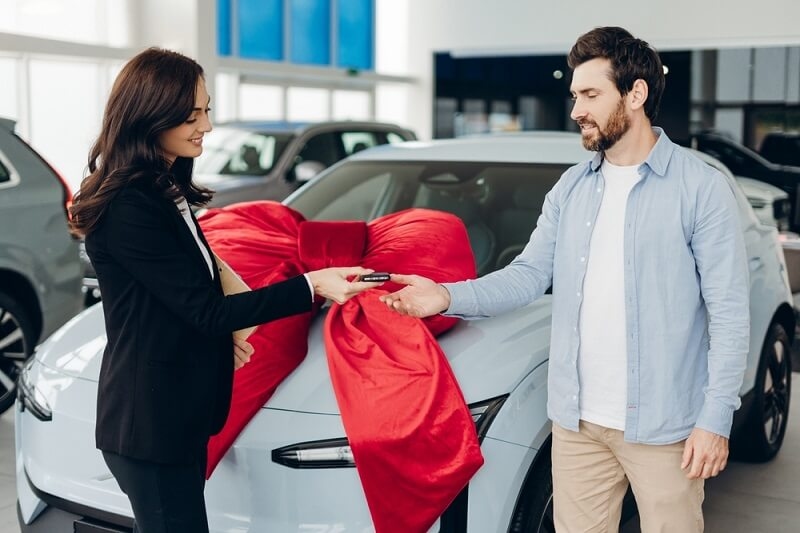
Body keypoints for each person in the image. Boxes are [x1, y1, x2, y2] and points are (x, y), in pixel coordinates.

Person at [380, 26, 749, 532]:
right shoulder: (573, 187)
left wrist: (715, 419)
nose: (577, 109)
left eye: (592, 94)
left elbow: (729, 314)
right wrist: (445, 296)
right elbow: (529, 274)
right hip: (578, 423)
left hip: (667, 427)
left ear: (635, 94)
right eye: (575, 95)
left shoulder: (700, 189)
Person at [69, 47, 381, 533]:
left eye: (207, 109)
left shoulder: (163, 186)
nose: (207, 127)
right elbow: (206, 310)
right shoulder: (130, 204)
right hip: (149, 425)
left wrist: (227, 336)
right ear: (151, 116)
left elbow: (196, 281)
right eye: (192, 115)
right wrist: (312, 284)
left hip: (175, 415)